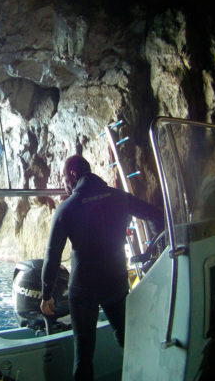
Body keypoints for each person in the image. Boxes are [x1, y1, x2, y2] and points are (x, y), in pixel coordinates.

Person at [40, 155, 163, 381]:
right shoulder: (119, 197)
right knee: (128, 339)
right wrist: (155, 252)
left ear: (74, 175)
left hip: (83, 290)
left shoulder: (66, 208)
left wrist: (47, 293)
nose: (63, 182)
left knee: (84, 355)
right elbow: (156, 215)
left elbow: (52, 256)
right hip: (115, 283)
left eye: (64, 177)